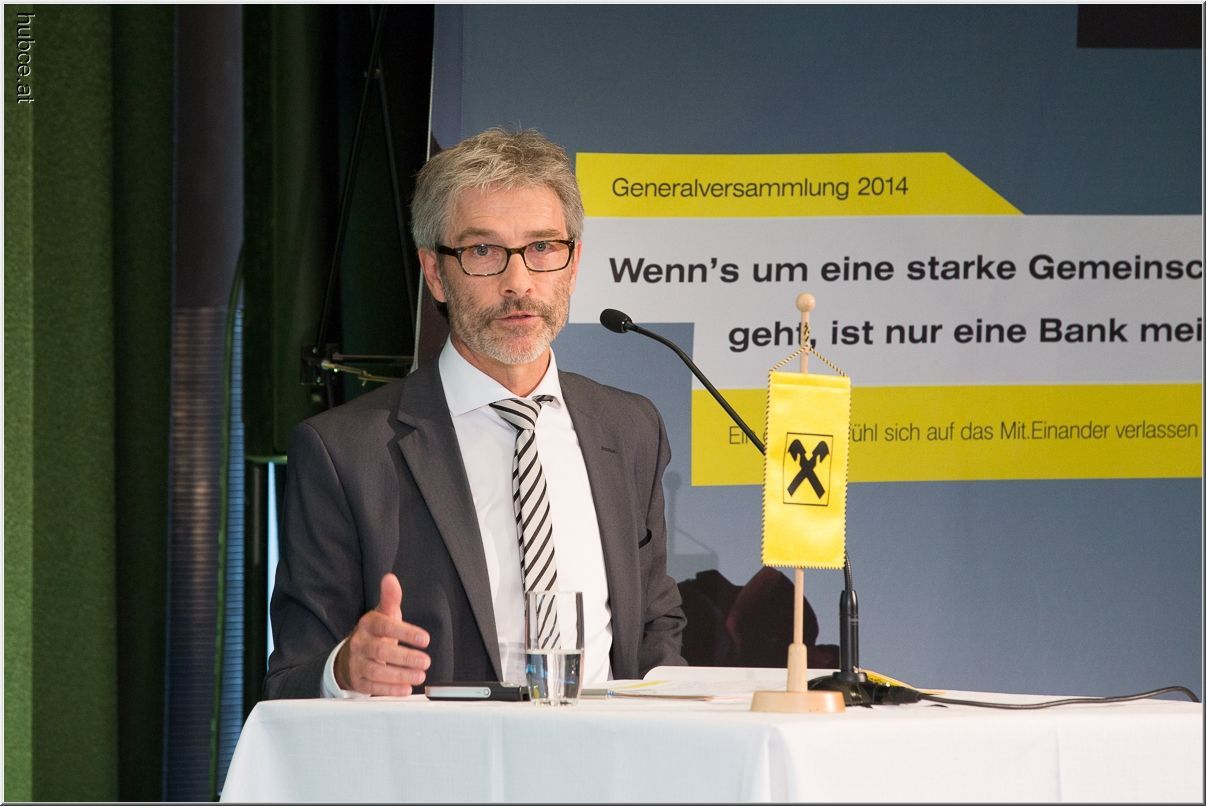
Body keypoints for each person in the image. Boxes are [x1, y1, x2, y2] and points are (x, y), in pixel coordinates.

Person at [265, 128, 686, 698]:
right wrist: (343, 671)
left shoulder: (630, 427)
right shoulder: (345, 452)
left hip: (606, 751)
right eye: (483, 251)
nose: (518, 283)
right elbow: (291, 678)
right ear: (435, 272)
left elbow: (655, 624)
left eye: (542, 248)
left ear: (573, 264)